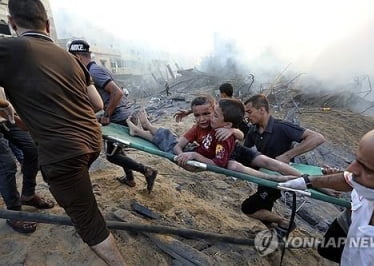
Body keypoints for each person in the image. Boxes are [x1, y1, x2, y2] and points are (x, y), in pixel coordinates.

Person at [1, 1, 125, 264]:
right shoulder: (70, 57)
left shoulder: (9, 48)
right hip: (92, 142)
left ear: (12, 23)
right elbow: (97, 104)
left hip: (63, 152)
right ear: (46, 25)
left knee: (89, 222)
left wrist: (4, 105)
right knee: (78, 190)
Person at [279, 123, 374, 265]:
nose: (350, 169)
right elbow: (346, 178)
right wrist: (307, 181)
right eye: (357, 160)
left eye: (368, 169)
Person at [127, 95, 299, 180]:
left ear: (214, 111)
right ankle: (144, 129)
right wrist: (181, 155)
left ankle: (305, 179)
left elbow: (240, 135)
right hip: (216, 154)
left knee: (268, 162)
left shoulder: (219, 121)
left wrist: (232, 131)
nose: (203, 119)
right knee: (168, 140)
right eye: (197, 116)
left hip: (234, 150)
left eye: (208, 114)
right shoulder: (203, 125)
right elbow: (179, 144)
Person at [68, 39, 157, 190]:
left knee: (112, 156)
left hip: (120, 118)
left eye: (71, 59)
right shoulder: (95, 69)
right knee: (118, 150)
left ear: (78, 57)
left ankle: (147, 171)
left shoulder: (93, 72)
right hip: (123, 115)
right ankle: (130, 179)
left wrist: (107, 115)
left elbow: (117, 93)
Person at [241, 94, 325, 234]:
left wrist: (288, 155)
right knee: (263, 207)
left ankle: (285, 223)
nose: (247, 116)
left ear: (261, 110)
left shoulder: (282, 127)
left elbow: (317, 138)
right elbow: (247, 151)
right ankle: (277, 232)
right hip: (264, 176)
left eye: (249, 112)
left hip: (283, 177)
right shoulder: (253, 130)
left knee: (249, 207)